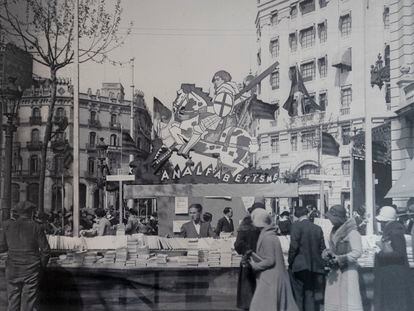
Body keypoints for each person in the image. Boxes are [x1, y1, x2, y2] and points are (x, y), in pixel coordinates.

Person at [0, 201, 51, 311]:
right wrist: (41, 266)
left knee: (12, 301)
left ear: (17, 213)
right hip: (31, 269)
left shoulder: (7, 225)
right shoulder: (37, 227)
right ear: (31, 213)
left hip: (13, 268)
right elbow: (46, 251)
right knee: (28, 304)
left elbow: (2, 247)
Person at [178, 70, 240, 157]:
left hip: (223, 118)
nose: (215, 82)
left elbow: (222, 109)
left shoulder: (225, 90)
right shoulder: (227, 89)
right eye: (214, 80)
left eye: (217, 79)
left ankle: (186, 150)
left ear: (224, 79)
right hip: (223, 116)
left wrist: (206, 109)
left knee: (199, 128)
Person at [249, 208, 299, 311]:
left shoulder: (268, 237)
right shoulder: (270, 235)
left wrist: (255, 265)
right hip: (272, 277)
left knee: (261, 306)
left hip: (270, 279)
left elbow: (270, 260)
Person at [323, 205, 363, 311]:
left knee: (349, 300)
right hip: (335, 272)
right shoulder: (333, 231)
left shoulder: (353, 233)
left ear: (337, 217)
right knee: (333, 299)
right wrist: (327, 253)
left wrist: (340, 259)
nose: (330, 221)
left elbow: (357, 252)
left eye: (331, 218)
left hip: (349, 271)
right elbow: (332, 249)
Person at [374, 206, 412, 311]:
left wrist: (379, 253)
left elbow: (399, 254)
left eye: (382, 221)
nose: (380, 224)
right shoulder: (394, 231)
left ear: (386, 221)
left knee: (393, 303)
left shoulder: (395, 232)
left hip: (394, 275)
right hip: (392, 273)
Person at [288, 206, 325, 311]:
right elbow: (323, 248)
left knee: (298, 295)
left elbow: (293, 247)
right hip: (314, 266)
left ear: (296, 215)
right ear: (307, 214)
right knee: (310, 294)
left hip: (299, 266)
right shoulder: (317, 228)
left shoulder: (295, 226)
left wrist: (290, 261)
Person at [234, 202, 265, 310]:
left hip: (249, 262)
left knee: (249, 298)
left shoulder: (245, 223)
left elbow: (238, 245)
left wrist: (248, 252)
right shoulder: (265, 225)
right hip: (263, 264)